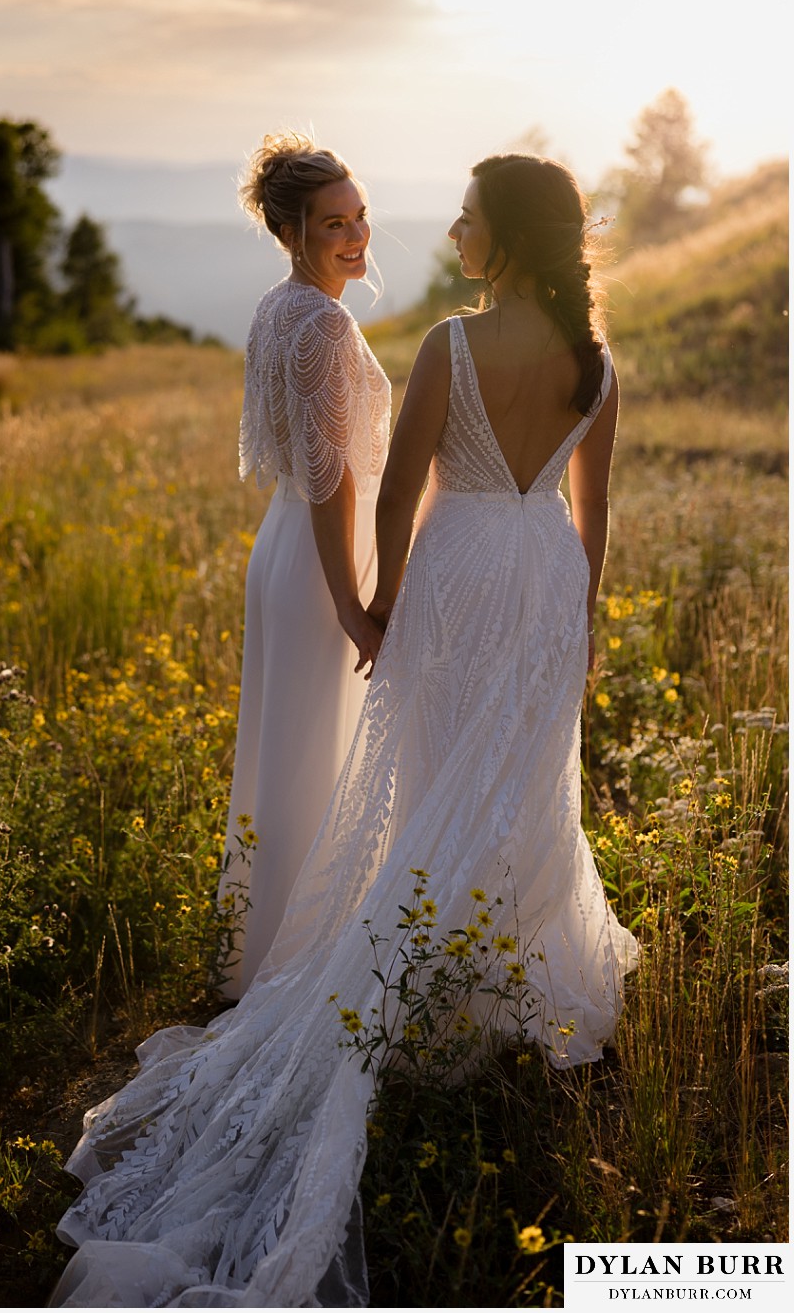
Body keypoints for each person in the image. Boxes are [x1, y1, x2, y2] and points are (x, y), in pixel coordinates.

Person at [49, 153, 638, 1309]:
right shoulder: (598, 363)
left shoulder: (451, 347)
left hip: (460, 576)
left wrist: (387, 605)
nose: (452, 231)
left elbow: (397, 493)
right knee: (525, 783)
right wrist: (581, 618)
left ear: (508, 237)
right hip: (544, 580)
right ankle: (505, 975)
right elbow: (594, 509)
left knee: (429, 779)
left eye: (468, 217)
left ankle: (427, 967)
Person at [215, 132, 391, 998]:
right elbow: (331, 480)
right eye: (334, 225)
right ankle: (305, 974)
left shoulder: (279, 304)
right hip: (323, 559)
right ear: (292, 234)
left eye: (360, 217)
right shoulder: (321, 322)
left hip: (286, 548)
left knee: (290, 754)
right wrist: (352, 604)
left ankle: (271, 957)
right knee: (316, 757)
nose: (356, 237)